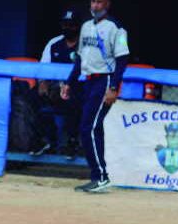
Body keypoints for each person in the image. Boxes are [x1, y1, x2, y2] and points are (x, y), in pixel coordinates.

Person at [61, 0, 129, 193]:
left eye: (99, 2)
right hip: (89, 80)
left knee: (88, 127)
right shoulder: (86, 26)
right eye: (93, 1)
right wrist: (69, 82)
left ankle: (100, 176)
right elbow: (80, 58)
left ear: (107, 4)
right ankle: (98, 176)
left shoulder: (116, 28)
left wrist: (114, 87)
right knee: (91, 127)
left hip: (105, 80)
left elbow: (122, 59)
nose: (95, 6)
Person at [36, 7, 83, 159]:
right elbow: (43, 69)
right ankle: (44, 140)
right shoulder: (54, 43)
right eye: (65, 24)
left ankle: (71, 142)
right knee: (32, 97)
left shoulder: (86, 45)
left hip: (78, 90)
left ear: (78, 26)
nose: (68, 28)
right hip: (55, 89)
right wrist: (43, 83)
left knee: (73, 98)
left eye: (72, 25)